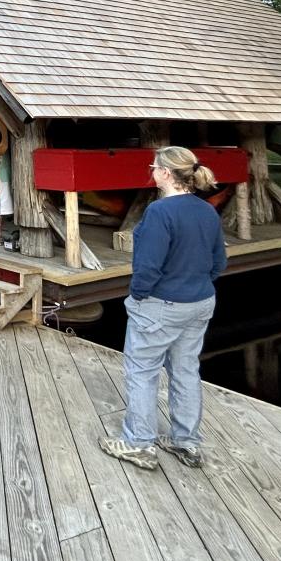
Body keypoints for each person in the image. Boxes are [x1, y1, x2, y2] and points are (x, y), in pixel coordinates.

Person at [100, 147, 225, 471]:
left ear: (167, 174)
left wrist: (138, 296)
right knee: (185, 370)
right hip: (200, 303)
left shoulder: (159, 213)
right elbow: (218, 263)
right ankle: (187, 442)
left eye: (154, 166)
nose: (151, 170)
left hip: (162, 305)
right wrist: (195, 283)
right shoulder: (207, 211)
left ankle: (138, 444)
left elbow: (148, 269)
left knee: (142, 372)